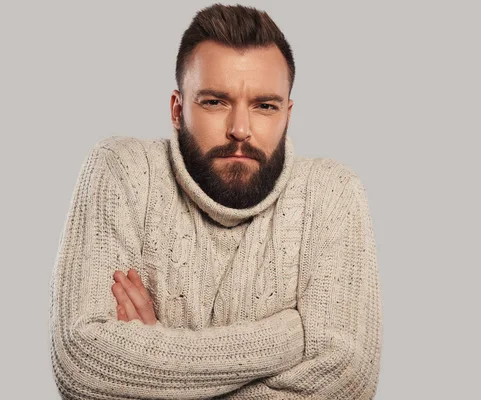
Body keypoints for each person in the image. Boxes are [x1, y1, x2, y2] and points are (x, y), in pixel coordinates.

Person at [49, 3, 382, 399]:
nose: (240, 129)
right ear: (177, 109)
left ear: (287, 114)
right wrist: (288, 336)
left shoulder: (332, 192)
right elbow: (82, 363)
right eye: (214, 102)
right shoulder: (121, 169)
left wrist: (156, 364)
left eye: (265, 106)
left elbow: (347, 381)